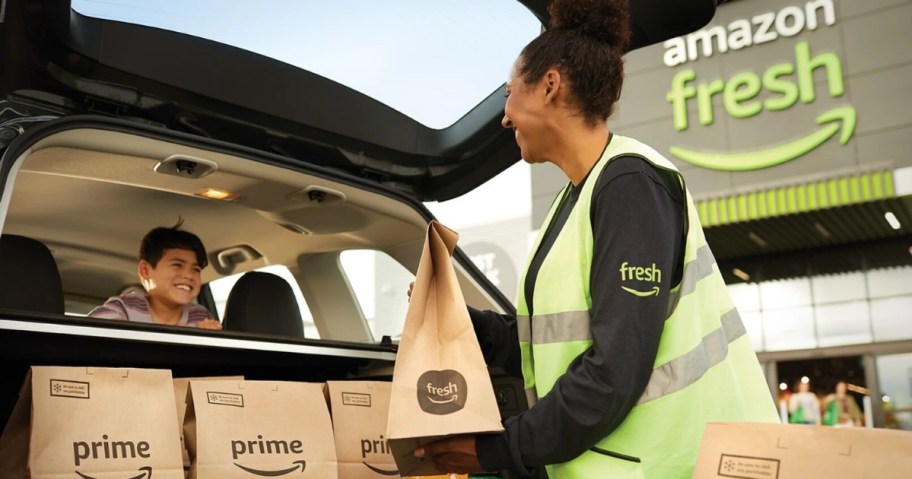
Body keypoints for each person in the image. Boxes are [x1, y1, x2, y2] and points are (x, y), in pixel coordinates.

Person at [409, 1, 779, 477]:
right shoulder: (576, 199)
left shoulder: (630, 186)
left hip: (680, 464)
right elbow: (551, 343)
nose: (504, 117)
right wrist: (465, 323)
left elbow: (613, 371)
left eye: (508, 94)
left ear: (549, 85)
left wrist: (495, 450)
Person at [88, 219, 222, 330]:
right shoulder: (128, 306)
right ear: (145, 271)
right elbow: (94, 324)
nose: (188, 275)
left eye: (196, 269)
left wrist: (208, 337)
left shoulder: (200, 317)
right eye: (177, 265)